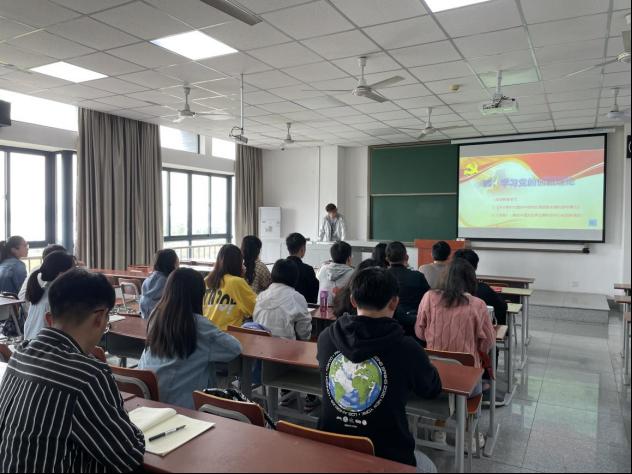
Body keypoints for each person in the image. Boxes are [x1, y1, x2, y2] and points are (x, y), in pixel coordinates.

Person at [0, 269, 145, 472]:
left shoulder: (20, 354)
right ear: (100, 318)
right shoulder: (88, 375)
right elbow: (128, 456)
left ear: (49, 319)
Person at [317, 267, 441, 471]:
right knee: (430, 467)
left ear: (353, 300)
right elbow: (431, 388)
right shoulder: (408, 348)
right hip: (387, 456)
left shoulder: (326, 338)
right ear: (394, 302)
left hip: (331, 448)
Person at [138, 268, 242, 410]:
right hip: (181, 409)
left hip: (149, 401)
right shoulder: (199, 326)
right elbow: (235, 349)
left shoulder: (156, 317)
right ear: (198, 295)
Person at [416, 258, 495, 375]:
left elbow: (420, 333)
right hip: (467, 372)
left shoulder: (428, 297)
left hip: (433, 369)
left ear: (444, 277)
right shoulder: (479, 304)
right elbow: (487, 343)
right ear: (471, 280)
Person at [253, 259, 312, 341]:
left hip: (259, 343)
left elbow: (256, 320)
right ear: (295, 277)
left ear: (272, 275)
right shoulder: (296, 298)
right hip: (285, 346)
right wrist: (305, 339)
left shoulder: (261, 296)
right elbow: (304, 330)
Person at [23, 251, 77, 341]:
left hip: (30, 344)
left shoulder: (42, 291)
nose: (76, 274)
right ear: (61, 274)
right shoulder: (58, 297)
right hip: (43, 346)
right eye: (74, 270)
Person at [203, 244, 256, 331]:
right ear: (237, 263)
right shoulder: (236, 282)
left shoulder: (207, 280)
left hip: (206, 332)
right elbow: (257, 308)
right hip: (227, 335)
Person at [386, 242, 430, 336]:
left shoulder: (380, 277)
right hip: (414, 327)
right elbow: (428, 301)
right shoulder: (418, 276)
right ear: (406, 257)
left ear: (387, 259)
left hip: (388, 327)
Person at [453, 249, 508, 325]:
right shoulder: (484, 290)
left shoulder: (444, 291)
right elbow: (502, 307)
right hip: (480, 330)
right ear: (475, 267)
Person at [140, 248, 179, 319]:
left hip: (145, 315)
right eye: (176, 260)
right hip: (160, 317)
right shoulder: (168, 281)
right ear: (171, 263)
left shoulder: (149, 278)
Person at [317, 241, 354, 306]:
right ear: (349, 258)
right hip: (343, 310)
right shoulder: (353, 273)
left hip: (322, 309)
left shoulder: (323, 269)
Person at [286, 233, 319, 304]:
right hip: (304, 307)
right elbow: (314, 295)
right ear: (302, 249)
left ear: (288, 248)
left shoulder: (279, 268)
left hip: (282, 307)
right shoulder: (308, 269)